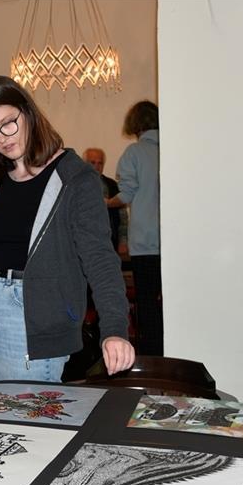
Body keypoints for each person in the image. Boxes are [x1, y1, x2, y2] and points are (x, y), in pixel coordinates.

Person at [0, 75, 135, 384]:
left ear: (28, 111)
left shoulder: (76, 179)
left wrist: (114, 329)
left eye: (8, 124)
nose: (2, 138)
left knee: (23, 428)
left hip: (29, 319)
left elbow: (100, 260)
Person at [106, 100, 162, 356]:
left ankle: (152, 357)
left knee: (148, 304)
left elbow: (126, 194)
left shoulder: (135, 153)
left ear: (136, 124)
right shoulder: (173, 148)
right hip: (174, 241)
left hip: (146, 241)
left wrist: (105, 202)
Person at [83, 147, 128, 256]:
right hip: (84, 242)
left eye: (100, 163)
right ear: (84, 163)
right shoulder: (75, 186)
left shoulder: (112, 185)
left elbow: (123, 217)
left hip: (110, 242)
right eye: (92, 162)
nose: (96, 167)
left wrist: (123, 241)